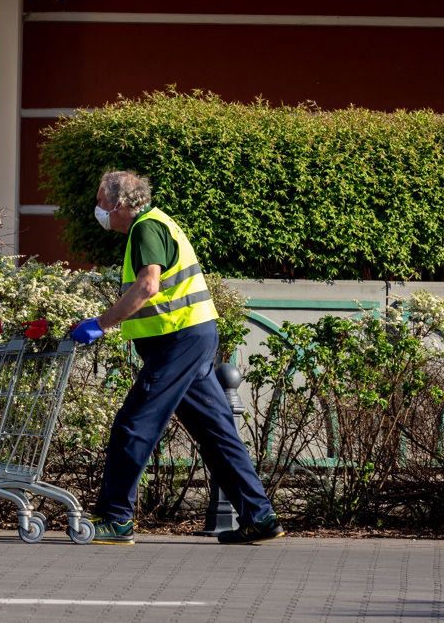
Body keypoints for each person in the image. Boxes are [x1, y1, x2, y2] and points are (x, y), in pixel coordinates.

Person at [70, 170, 284, 545]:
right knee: (216, 431)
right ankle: (260, 517)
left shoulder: (146, 228)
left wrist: (102, 323)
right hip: (193, 336)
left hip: (178, 340)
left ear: (120, 204)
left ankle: (115, 518)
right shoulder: (158, 223)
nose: (99, 210)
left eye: (102, 202)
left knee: (133, 424)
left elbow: (148, 285)